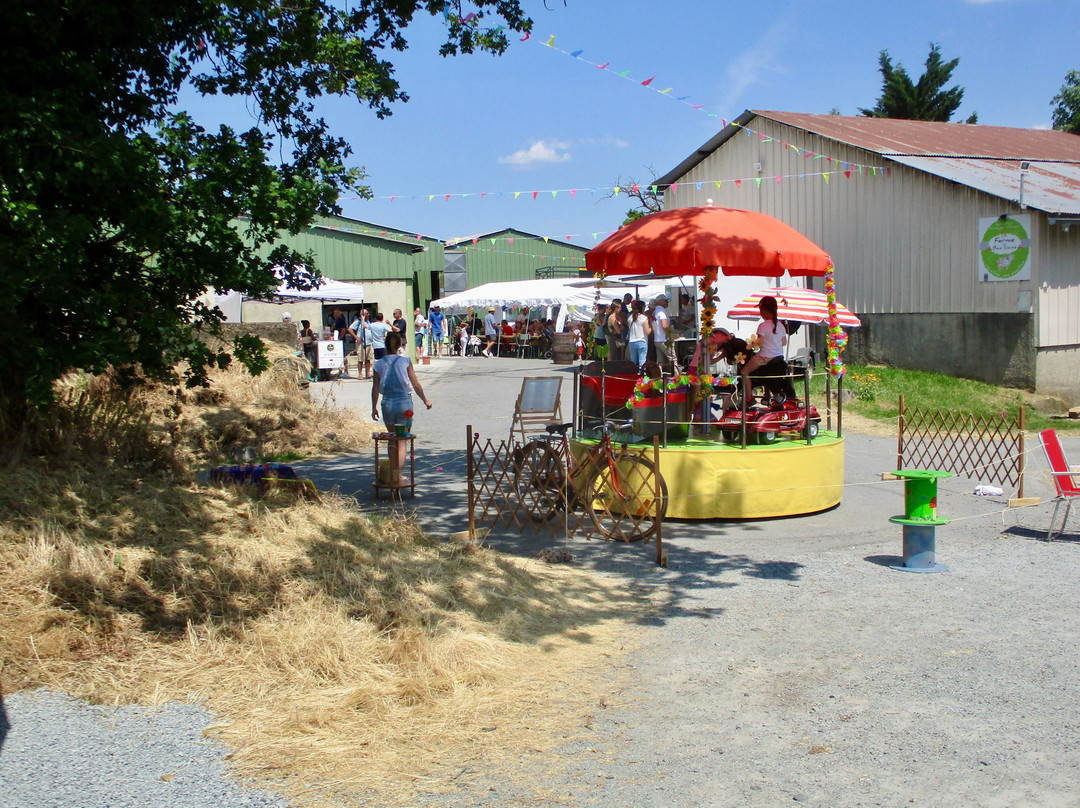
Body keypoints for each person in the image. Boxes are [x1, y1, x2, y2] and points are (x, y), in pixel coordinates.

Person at [371, 332, 432, 486]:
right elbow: (415, 384)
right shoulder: (405, 361)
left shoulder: (378, 364)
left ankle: (392, 473)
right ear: (399, 345)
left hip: (388, 404)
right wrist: (425, 400)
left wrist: (373, 407)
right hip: (404, 403)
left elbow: (376, 387)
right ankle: (399, 475)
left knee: (392, 440)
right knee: (402, 441)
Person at [742, 295, 788, 404]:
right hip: (778, 357)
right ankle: (766, 394)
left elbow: (760, 344)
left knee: (744, 372)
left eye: (760, 310)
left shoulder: (763, 326)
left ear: (765, 311)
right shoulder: (780, 325)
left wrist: (753, 344)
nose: (760, 313)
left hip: (765, 357)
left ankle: (749, 398)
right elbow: (784, 342)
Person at [626, 299, 652, 373]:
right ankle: (642, 377)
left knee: (633, 362)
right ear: (642, 307)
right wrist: (651, 328)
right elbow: (647, 332)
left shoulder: (630, 318)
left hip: (632, 341)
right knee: (642, 362)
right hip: (641, 340)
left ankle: (632, 375)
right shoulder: (644, 318)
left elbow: (629, 329)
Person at [349, 308, 373, 379]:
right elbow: (350, 329)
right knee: (361, 359)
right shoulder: (358, 321)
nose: (368, 315)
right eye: (367, 313)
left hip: (368, 342)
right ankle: (360, 374)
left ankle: (368, 373)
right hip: (361, 343)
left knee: (368, 358)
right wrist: (356, 338)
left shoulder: (368, 321)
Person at [651, 294, 672, 367]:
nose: (667, 302)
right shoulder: (662, 312)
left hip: (657, 339)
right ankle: (676, 376)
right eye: (665, 301)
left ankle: (659, 375)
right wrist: (669, 336)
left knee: (660, 361)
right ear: (661, 301)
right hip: (664, 339)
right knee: (672, 358)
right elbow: (664, 325)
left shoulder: (655, 311)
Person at [605, 298, 627, 362]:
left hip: (617, 339)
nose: (621, 309)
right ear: (616, 308)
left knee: (618, 358)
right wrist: (621, 327)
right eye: (619, 307)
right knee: (615, 358)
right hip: (614, 339)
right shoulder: (612, 318)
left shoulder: (617, 317)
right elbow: (618, 331)